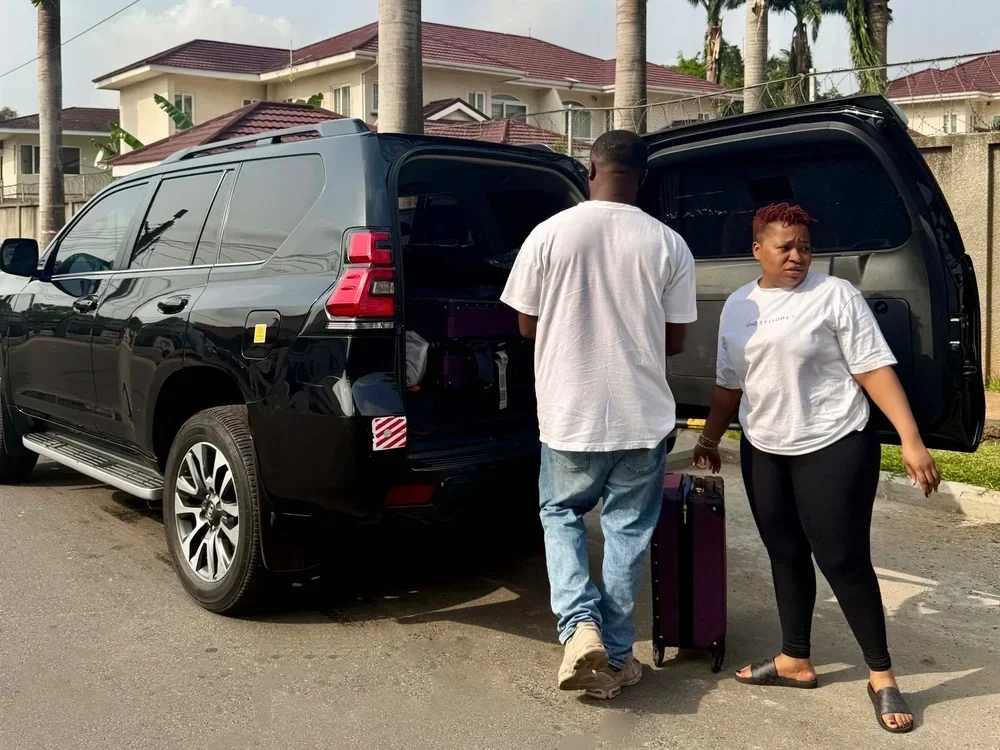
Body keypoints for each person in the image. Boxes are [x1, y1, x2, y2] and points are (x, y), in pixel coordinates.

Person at [693, 202, 940, 734]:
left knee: (843, 560)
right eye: (785, 247)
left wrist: (911, 440)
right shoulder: (738, 306)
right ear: (757, 249)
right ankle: (794, 658)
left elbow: (873, 369)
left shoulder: (835, 296)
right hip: (765, 446)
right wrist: (711, 437)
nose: (797, 256)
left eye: (804, 246)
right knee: (783, 552)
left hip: (833, 443)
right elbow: (729, 382)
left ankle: (882, 675)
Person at [500, 130, 697, 700]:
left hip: (569, 411)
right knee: (627, 534)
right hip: (642, 416)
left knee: (560, 512)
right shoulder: (669, 244)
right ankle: (614, 655)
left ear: (591, 169)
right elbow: (675, 340)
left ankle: (577, 627)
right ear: (643, 177)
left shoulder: (550, 234)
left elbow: (525, 324)